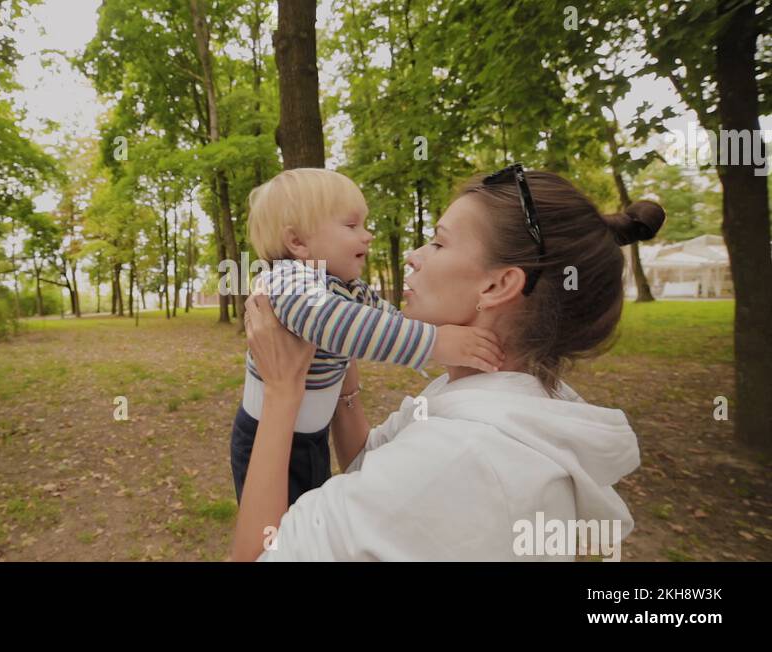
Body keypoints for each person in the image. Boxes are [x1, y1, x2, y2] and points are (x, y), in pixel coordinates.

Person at [231, 165, 665, 561]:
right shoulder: (490, 399)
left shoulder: (458, 461)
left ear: (497, 284)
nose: (415, 255)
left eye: (438, 242)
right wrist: (343, 376)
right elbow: (367, 459)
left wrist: (283, 392)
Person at [231, 168, 504, 507]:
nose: (368, 235)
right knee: (279, 540)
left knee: (306, 517)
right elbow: (335, 323)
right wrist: (434, 341)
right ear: (297, 242)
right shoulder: (288, 282)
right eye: (351, 226)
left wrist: (432, 332)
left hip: (311, 436)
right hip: (265, 437)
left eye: (365, 224)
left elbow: (385, 320)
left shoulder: (347, 288)